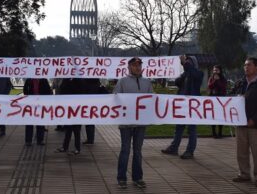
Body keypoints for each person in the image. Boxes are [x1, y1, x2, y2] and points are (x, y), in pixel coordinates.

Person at [231, 57, 257, 187]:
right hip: (241, 123)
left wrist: (254, 119)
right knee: (241, 151)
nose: (246, 67)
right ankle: (244, 174)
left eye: (249, 65)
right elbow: (230, 97)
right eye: (245, 65)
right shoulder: (240, 83)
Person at [114, 57, 153, 189]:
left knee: (138, 151)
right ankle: (121, 178)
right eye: (134, 65)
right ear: (129, 67)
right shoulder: (122, 82)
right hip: (126, 123)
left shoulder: (147, 82)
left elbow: (151, 99)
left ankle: (138, 177)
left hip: (140, 123)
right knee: (125, 150)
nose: (137, 67)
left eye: (139, 65)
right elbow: (115, 99)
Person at [161, 55, 203, 159]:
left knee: (192, 129)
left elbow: (192, 72)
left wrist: (185, 64)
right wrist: (183, 74)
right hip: (182, 104)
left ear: (193, 64)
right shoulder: (186, 74)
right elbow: (177, 82)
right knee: (179, 127)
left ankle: (190, 151)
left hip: (192, 105)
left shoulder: (198, 73)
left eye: (188, 62)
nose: (186, 63)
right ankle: (174, 147)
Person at [55, 78, 84, 154]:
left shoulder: (79, 80)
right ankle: (65, 147)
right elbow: (61, 90)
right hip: (68, 107)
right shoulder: (66, 80)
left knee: (76, 130)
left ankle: (77, 148)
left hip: (77, 108)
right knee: (68, 129)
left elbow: (80, 91)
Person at [23, 78, 52, 146]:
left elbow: (48, 91)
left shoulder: (44, 80)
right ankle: (28, 140)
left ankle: (40, 140)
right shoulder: (29, 80)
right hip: (30, 104)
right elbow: (25, 90)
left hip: (41, 104)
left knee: (40, 122)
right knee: (29, 122)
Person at [82, 79, 109, 145]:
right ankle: (90, 139)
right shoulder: (97, 82)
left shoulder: (85, 82)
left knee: (88, 122)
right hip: (95, 104)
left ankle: (90, 139)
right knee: (91, 122)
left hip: (87, 103)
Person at [208, 65, 227, 138]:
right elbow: (210, 86)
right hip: (213, 99)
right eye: (214, 70)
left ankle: (220, 132)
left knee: (220, 116)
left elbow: (223, 87)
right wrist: (215, 80)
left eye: (217, 70)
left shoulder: (223, 79)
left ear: (220, 71)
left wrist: (218, 80)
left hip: (221, 99)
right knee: (213, 116)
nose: (215, 72)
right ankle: (214, 133)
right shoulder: (211, 78)